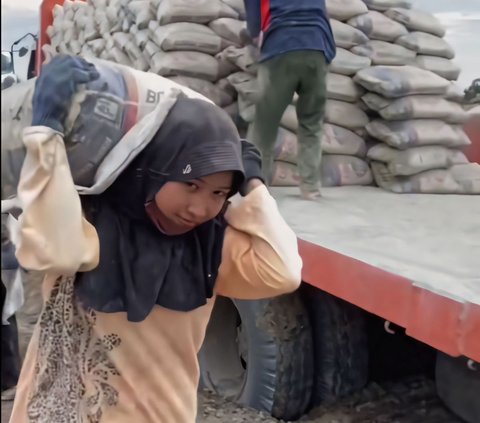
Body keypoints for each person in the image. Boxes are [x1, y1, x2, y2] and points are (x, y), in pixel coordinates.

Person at [7, 56, 302, 422]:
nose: (199, 208)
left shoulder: (209, 248)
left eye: (218, 194)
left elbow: (283, 271)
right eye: (191, 185)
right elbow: (53, 247)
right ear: (155, 167)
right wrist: (46, 134)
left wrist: (254, 186)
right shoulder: (99, 224)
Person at [243, 0, 336, 200]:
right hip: (316, 46)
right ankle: (310, 187)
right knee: (311, 122)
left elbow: (253, 21)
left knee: (264, 124)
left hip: (280, 46)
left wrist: (255, 38)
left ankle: (258, 186)